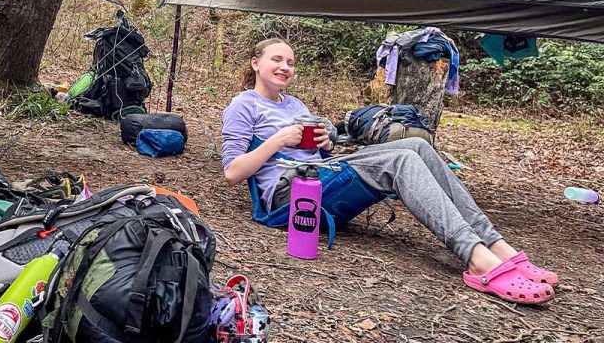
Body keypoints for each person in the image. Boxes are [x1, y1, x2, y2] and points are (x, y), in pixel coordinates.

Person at [222, 38, 558, 305]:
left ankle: (497, 245)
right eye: (276, 60)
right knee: (400, 161)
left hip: (318, 175)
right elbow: (233, 173)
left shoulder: (296, 106)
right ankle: (476, 258)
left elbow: (319, 154)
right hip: (286, 195)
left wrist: (326, 142)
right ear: (256, 63)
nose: (285, 67)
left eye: (291, 62)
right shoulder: (243, 105)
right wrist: (277, 140)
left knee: (418, 147)